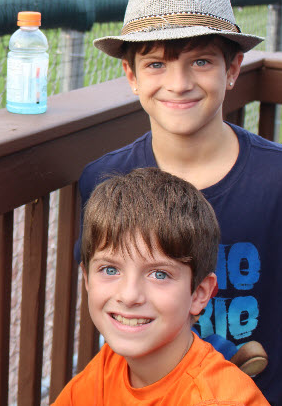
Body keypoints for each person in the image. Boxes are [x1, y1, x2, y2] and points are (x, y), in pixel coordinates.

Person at [76, 0, 282, 405]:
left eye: (201, 61)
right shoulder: (104, 180)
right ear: (131, 76)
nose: (179, 83)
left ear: (233, 68)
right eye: (155, 64)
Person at [53, 167, 270, 406]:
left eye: (159, 274)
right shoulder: (109, 367)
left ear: (199, 293)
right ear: (87, 279)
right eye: (110, 270)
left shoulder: (218, 400)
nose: (129, 295)